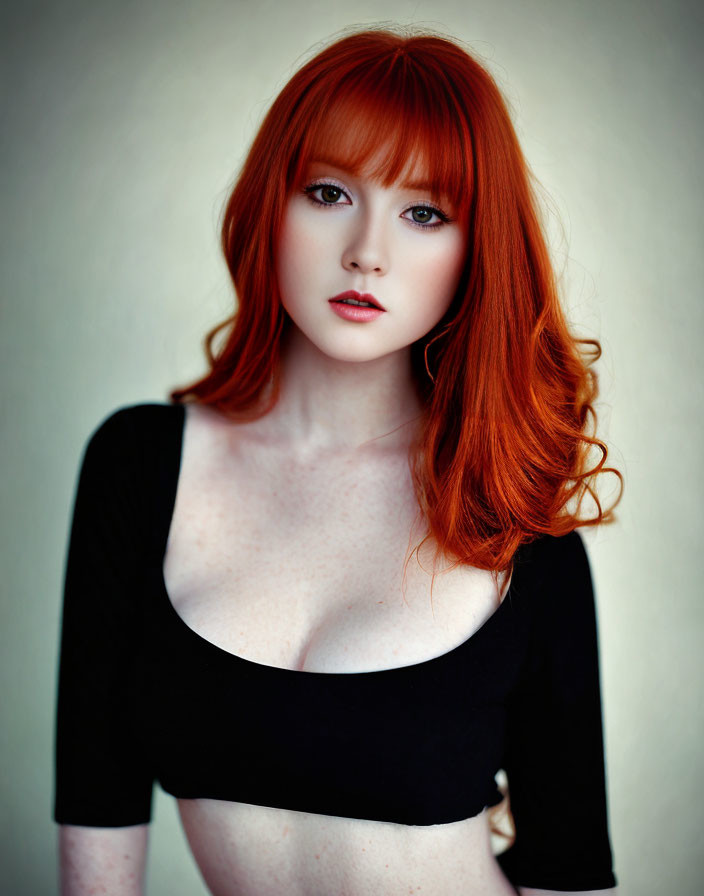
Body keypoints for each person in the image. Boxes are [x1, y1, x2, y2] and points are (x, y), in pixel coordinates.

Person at [53, 25, 623, 896]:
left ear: (476, 253)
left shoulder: (516, 528)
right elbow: (98, 796)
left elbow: (565, 869)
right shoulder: (138, 467)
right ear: (270, 205)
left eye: (424, 212)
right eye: (327, 192)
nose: (368, 251)